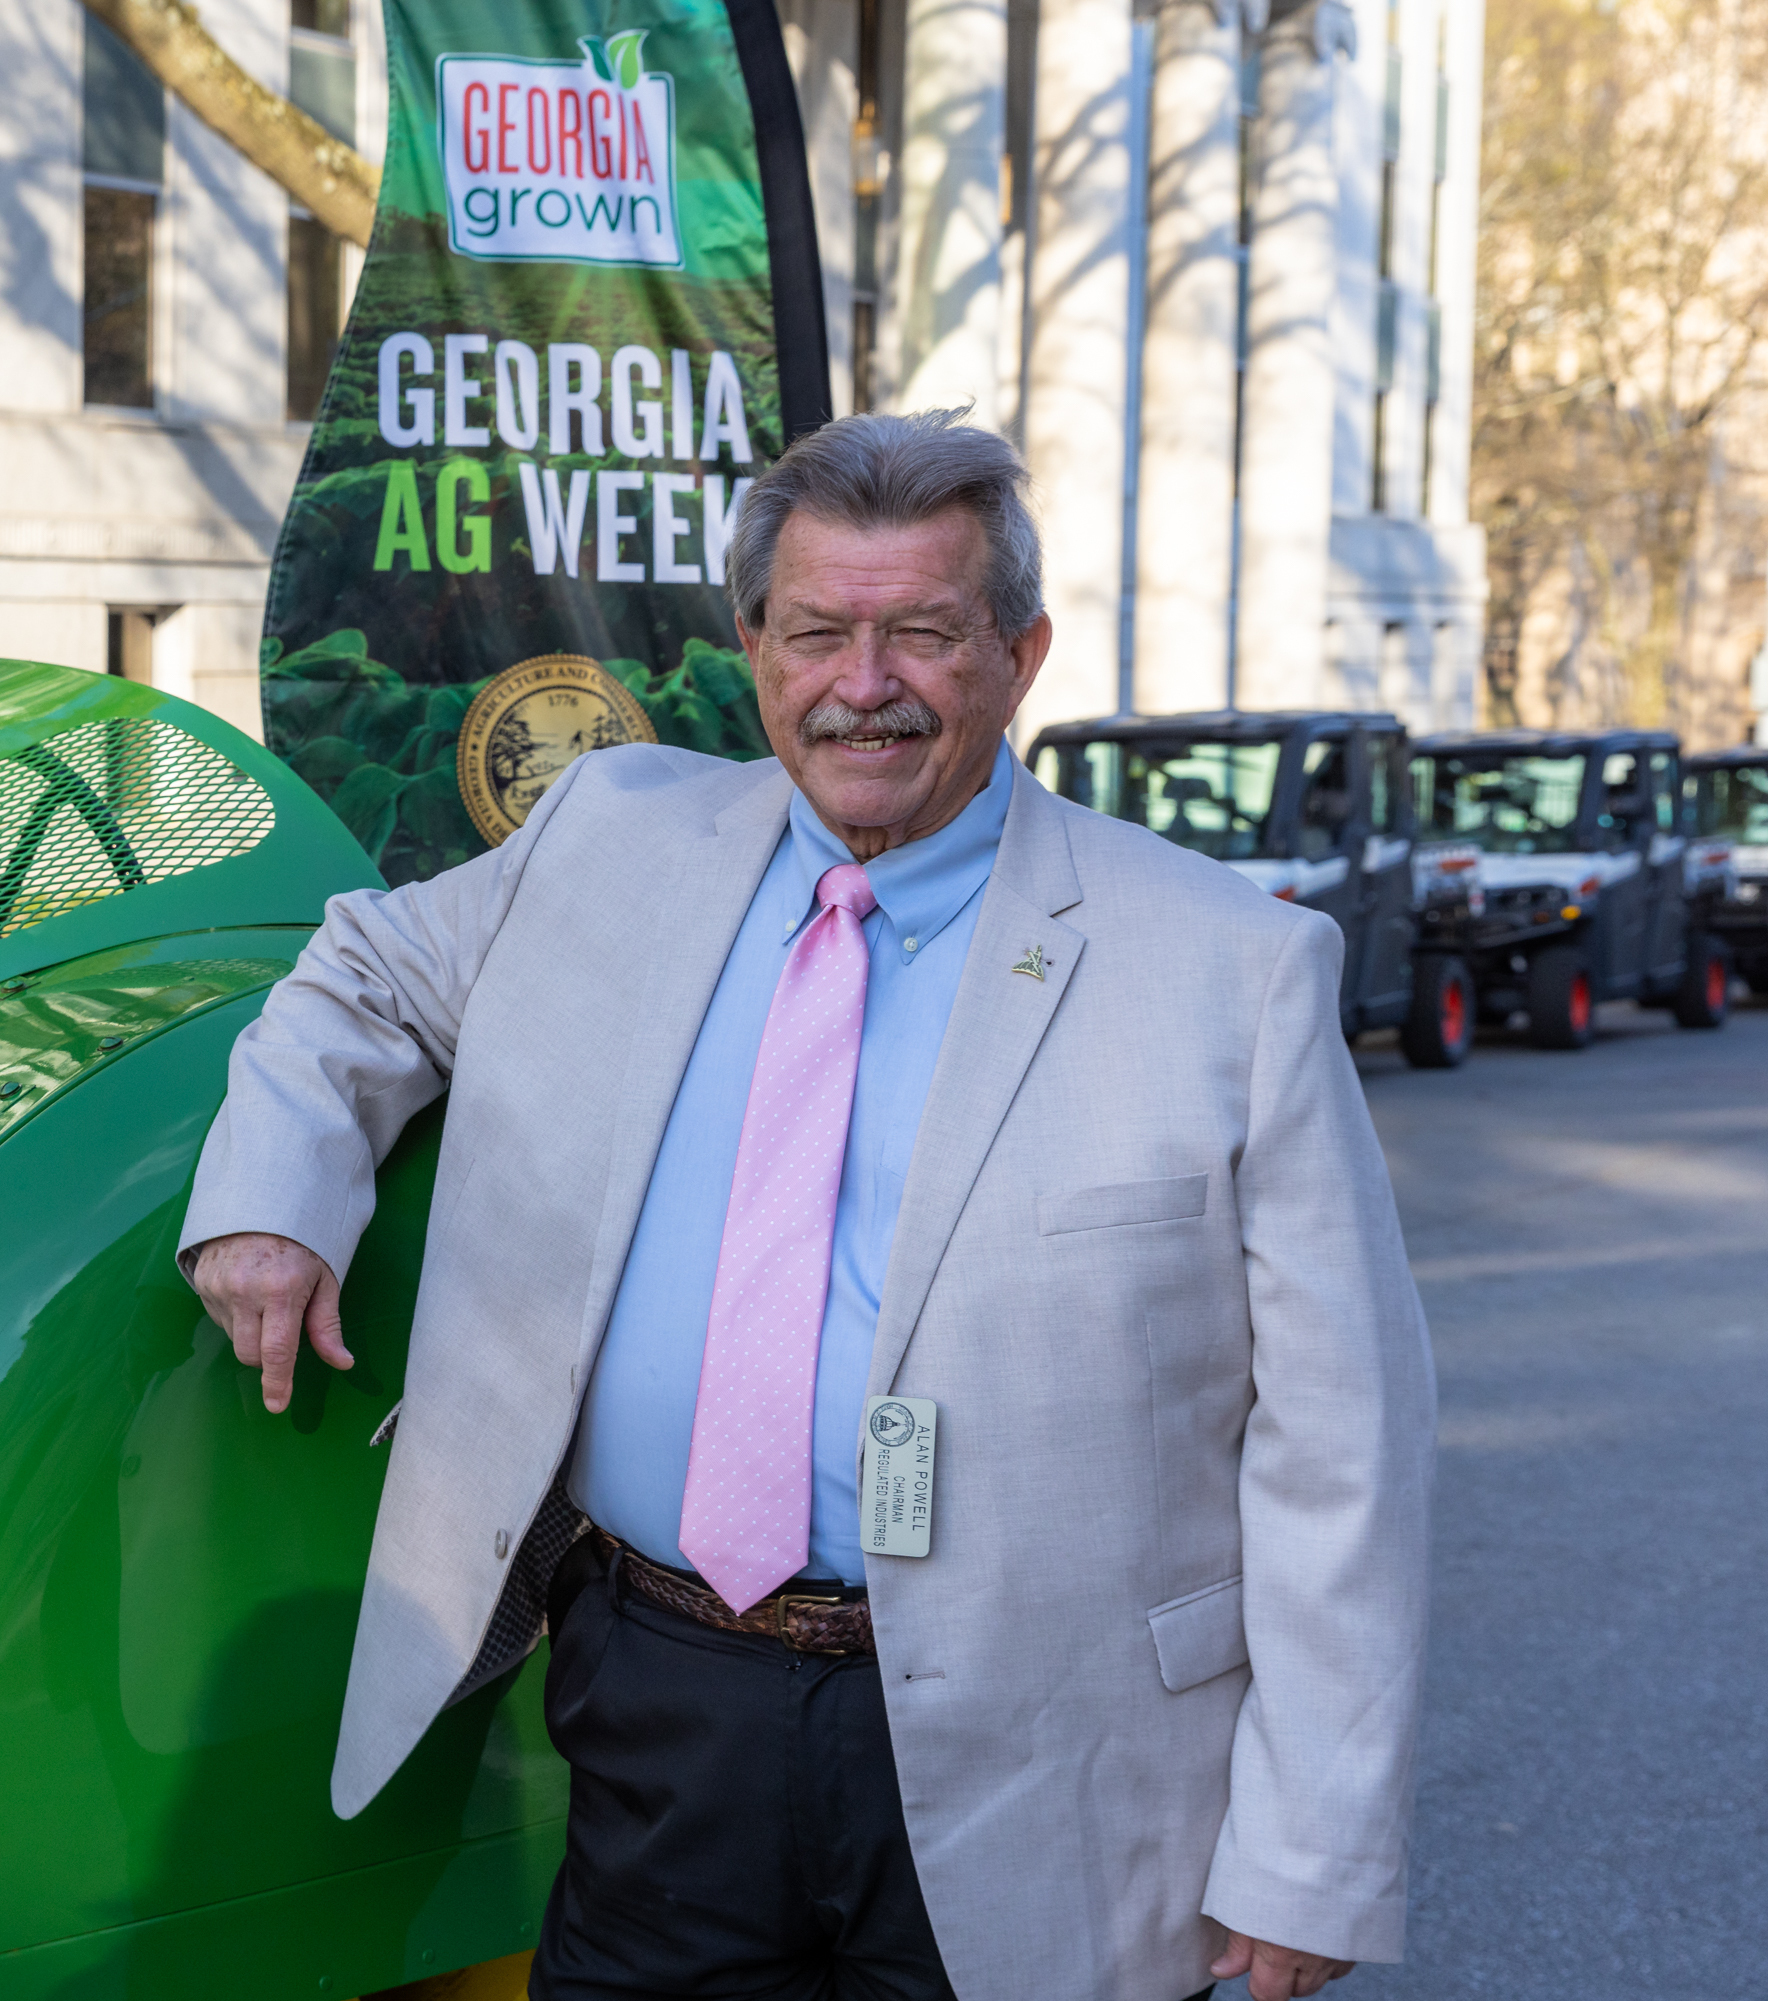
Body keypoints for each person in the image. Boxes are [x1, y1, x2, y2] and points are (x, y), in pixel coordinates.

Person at [179, 410, 1433, 2001]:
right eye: (820, 630)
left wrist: (1310, 1845)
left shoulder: (1229, 965)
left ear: (1019, 652)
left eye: (922, 631)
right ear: (754, 644)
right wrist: (273, 1200)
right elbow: (365, 972)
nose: (866, 682)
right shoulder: (610, 832)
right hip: (662, 1696)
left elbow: (1344, 1446)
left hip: (1053, 1742)